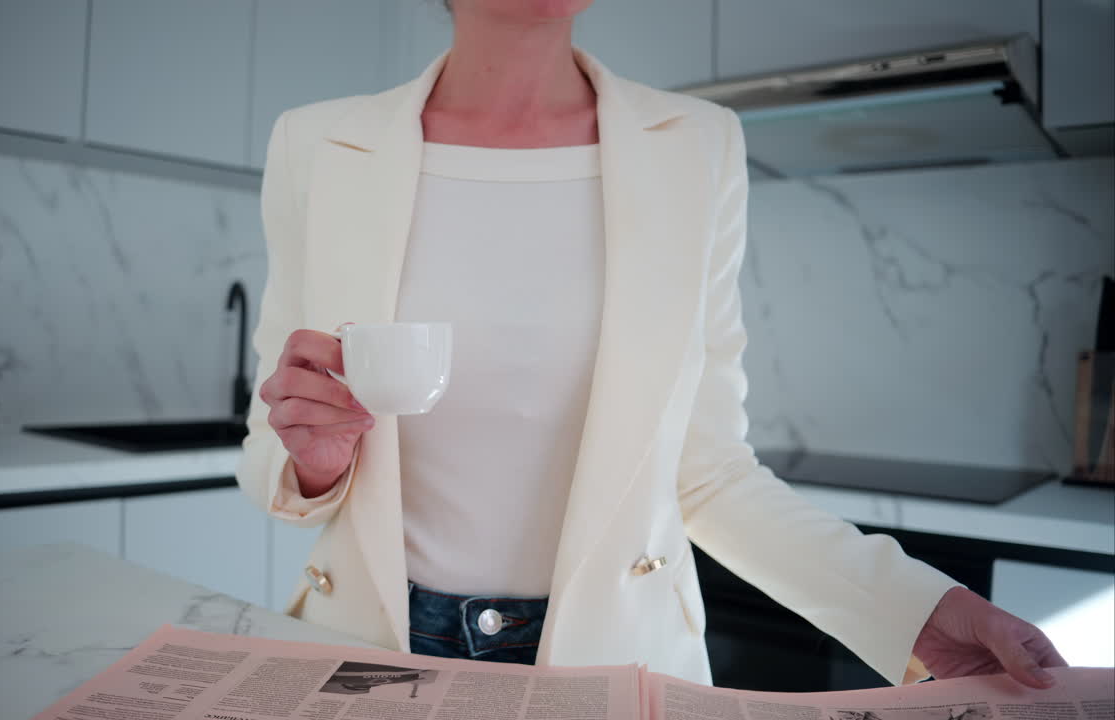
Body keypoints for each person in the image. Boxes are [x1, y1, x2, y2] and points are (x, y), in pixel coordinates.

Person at [237, 0, 1067, 688]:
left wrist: (919, 610)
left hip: (619, 661)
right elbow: (266, 453)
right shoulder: (317, 145)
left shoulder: (697, 146)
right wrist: (315, 459)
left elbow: (708, 473)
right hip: (374, 655)